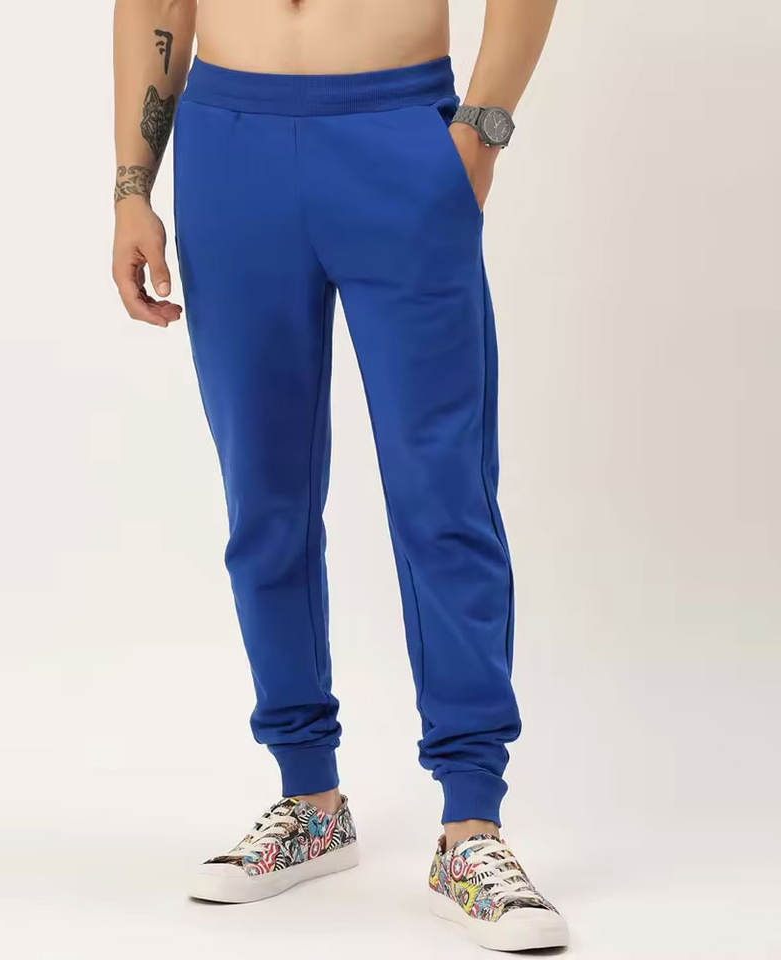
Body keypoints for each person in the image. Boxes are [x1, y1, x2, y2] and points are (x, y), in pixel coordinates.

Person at [112, 0, 565, 951]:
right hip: (228, 144)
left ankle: (471, 825)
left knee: (443, 492)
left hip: (398, 133)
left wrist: (481, 130)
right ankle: (309, 800)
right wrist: (130, 187)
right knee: (263, 495)